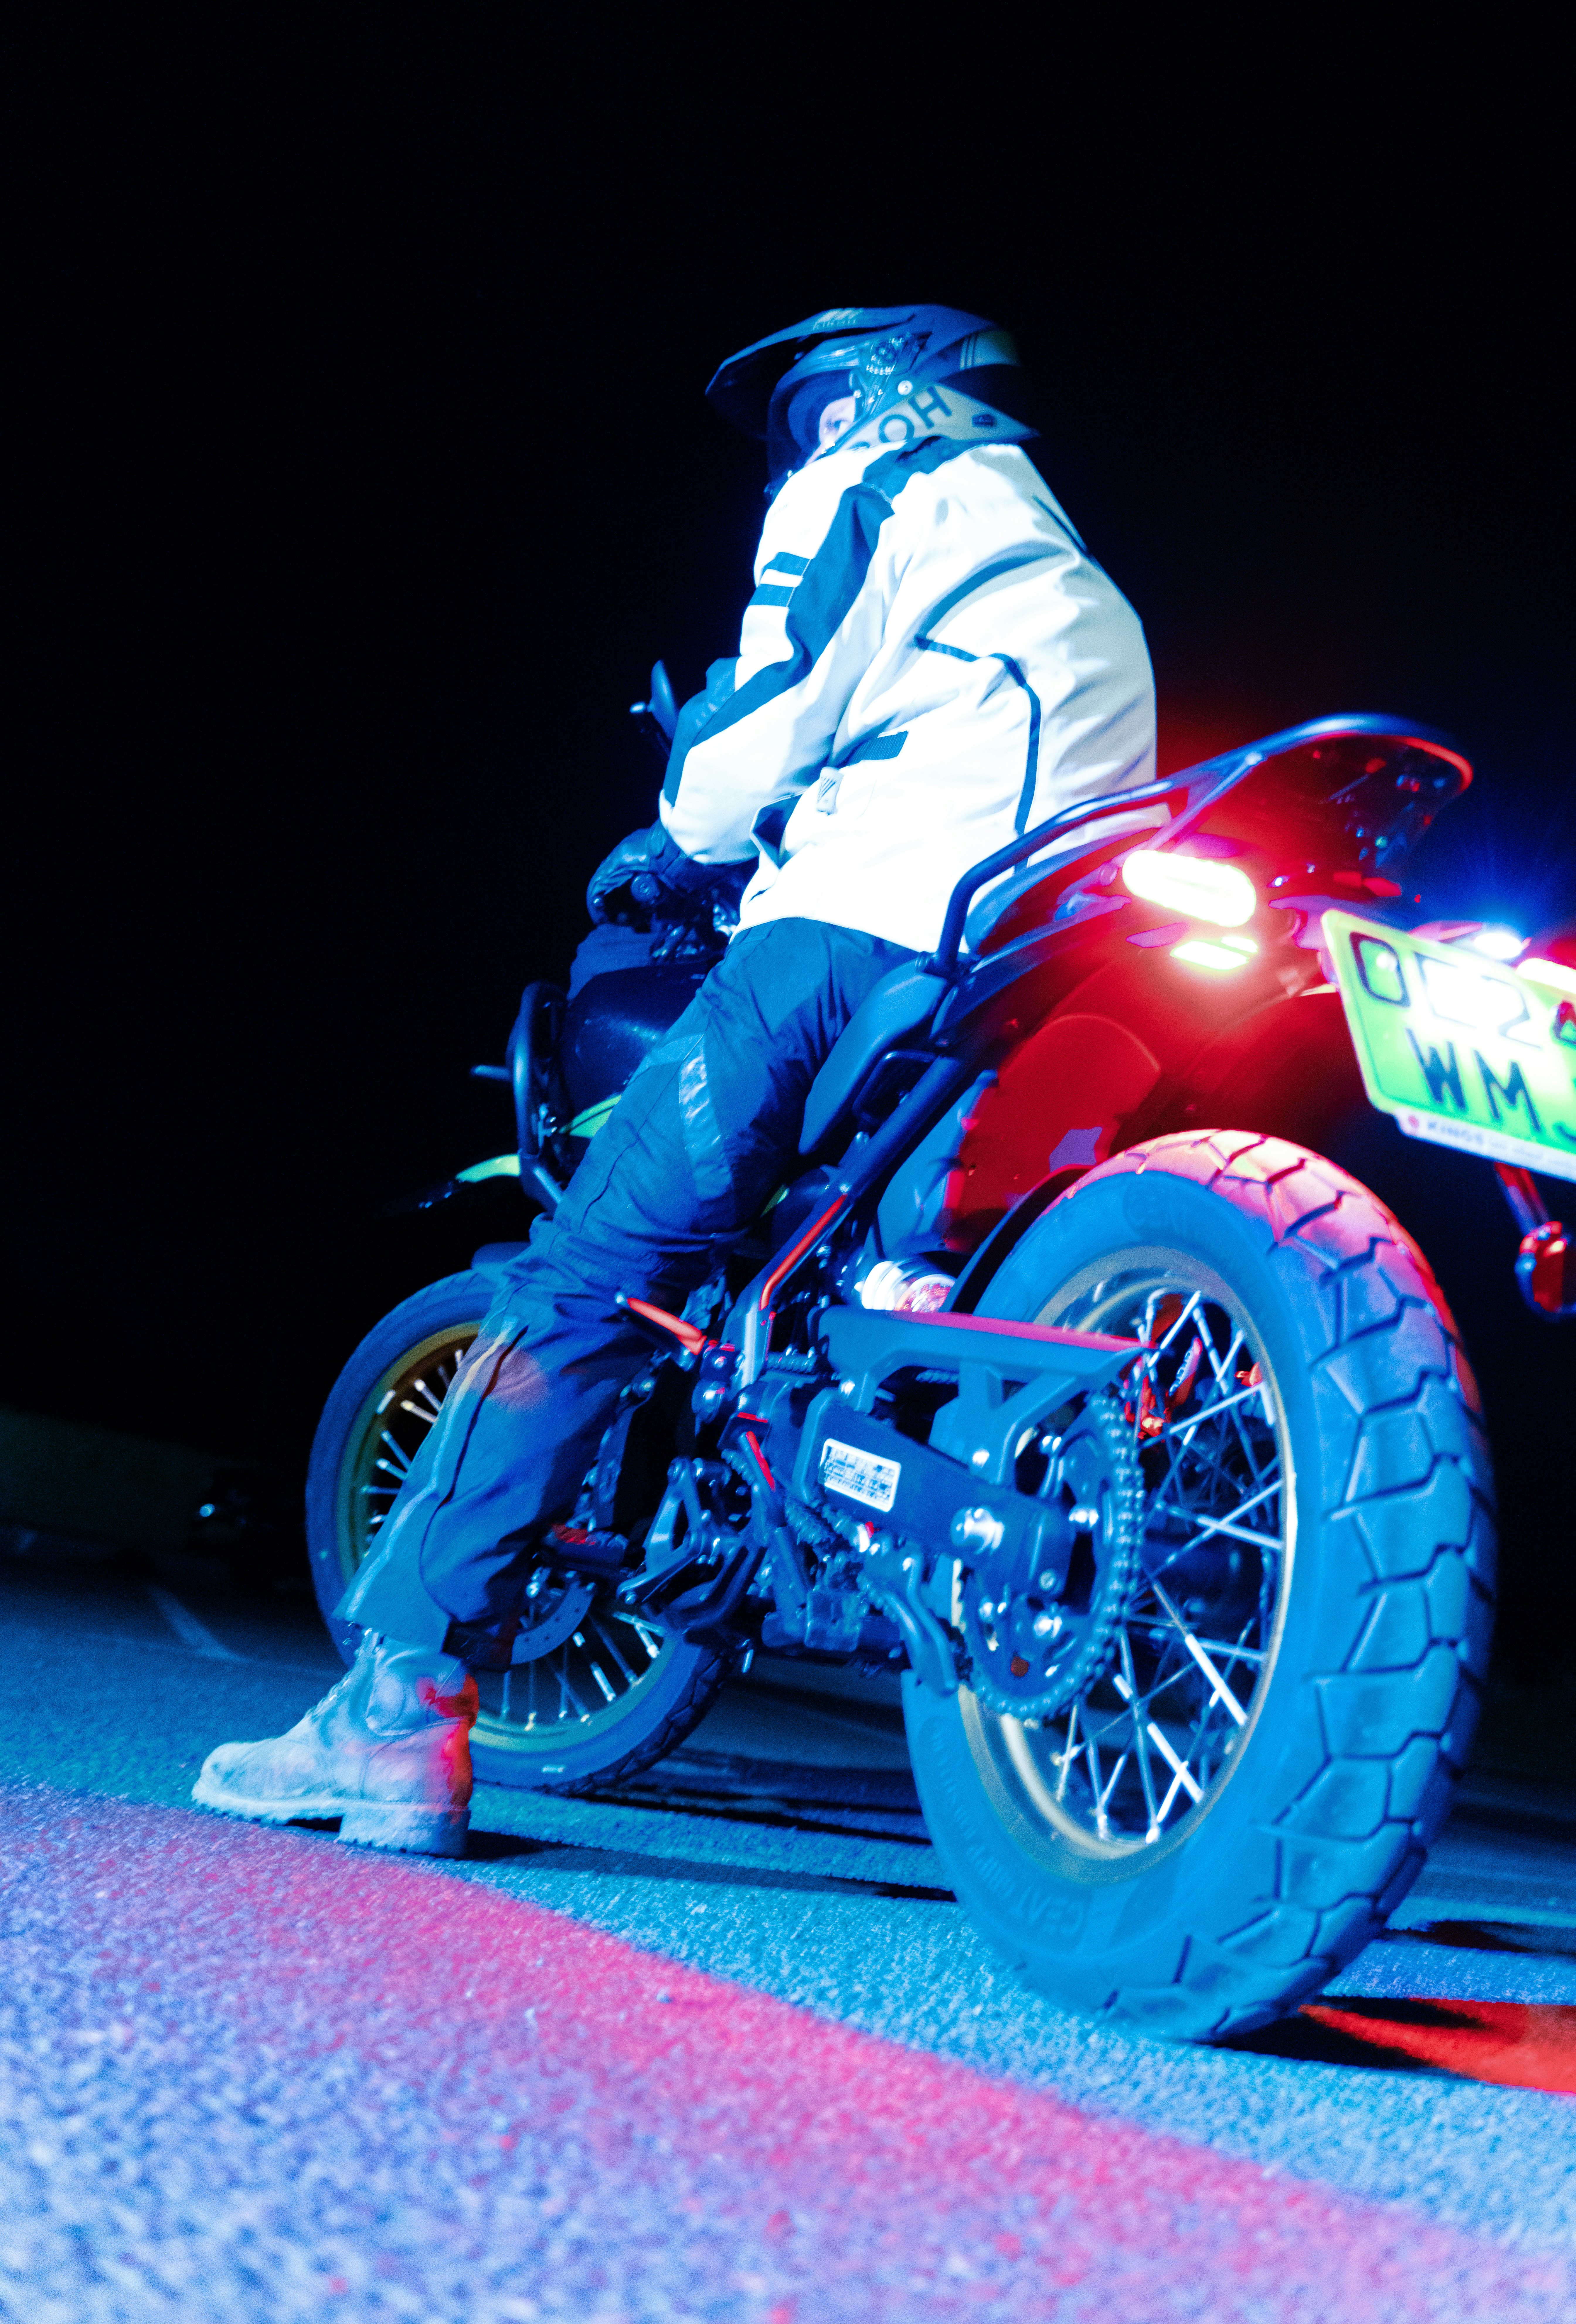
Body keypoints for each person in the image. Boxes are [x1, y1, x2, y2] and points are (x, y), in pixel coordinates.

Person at [194, 305, 1157, 1854]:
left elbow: (753, 738)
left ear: (871, 398)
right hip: (1025, 968)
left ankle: (390, 1716)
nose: (794, 443)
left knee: (590, 1278)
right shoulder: (1084, 587)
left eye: (803, 411)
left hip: (851, 928)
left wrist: (675, 821)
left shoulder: (877, 486)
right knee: (897, 1273)